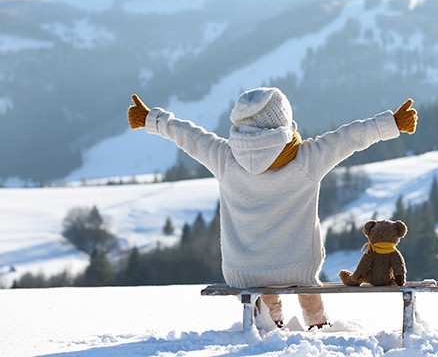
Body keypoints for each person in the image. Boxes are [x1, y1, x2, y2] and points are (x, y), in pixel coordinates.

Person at [127, 87, 418, 329]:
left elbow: (189, 136)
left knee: (264, 284)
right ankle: (317, 324)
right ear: (284, 122)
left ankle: (272, 321)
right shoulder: (307, 158)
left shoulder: (224, 158)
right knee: (307, 286)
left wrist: (151, 119)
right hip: (298, 268)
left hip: (244, 270)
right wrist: (391, 123)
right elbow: (350, 138)